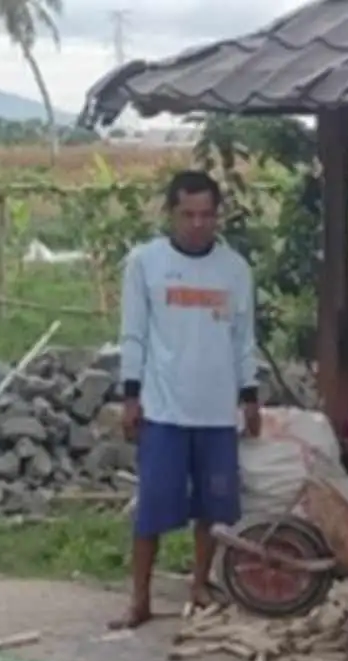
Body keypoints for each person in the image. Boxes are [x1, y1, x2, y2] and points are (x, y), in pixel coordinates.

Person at [112, 169, 262, 630]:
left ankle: (199, 584)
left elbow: (243, 339)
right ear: (171, 213)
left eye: (206, 215)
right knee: (153, 508)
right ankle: (139, 599)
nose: (198, 224)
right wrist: (131, 396)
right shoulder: (145, 263)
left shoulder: (235, 269)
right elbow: (133, 334)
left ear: (218, 216)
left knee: (214, 509)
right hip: (164, 409)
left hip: (217, 410)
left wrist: (250, 396)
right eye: (188, 214)